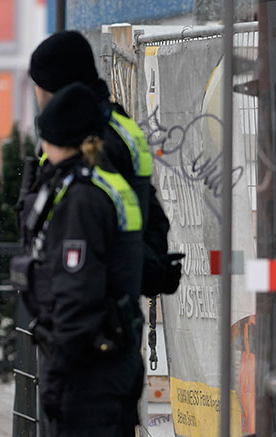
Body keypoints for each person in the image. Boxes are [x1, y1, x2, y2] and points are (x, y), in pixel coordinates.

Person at [16, 83, 144, 437]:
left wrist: (59, 377)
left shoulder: (82, 198)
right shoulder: (102, 185)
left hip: (87, 369)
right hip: (104, 364)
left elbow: (76, 297)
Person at [26, 30, 181, 297]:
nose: (36, 91)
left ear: (57, 86)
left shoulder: (92, 137)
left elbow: (91, 220)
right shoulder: (114, 126)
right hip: (90, 291)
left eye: (39, 83)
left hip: (87, 294)